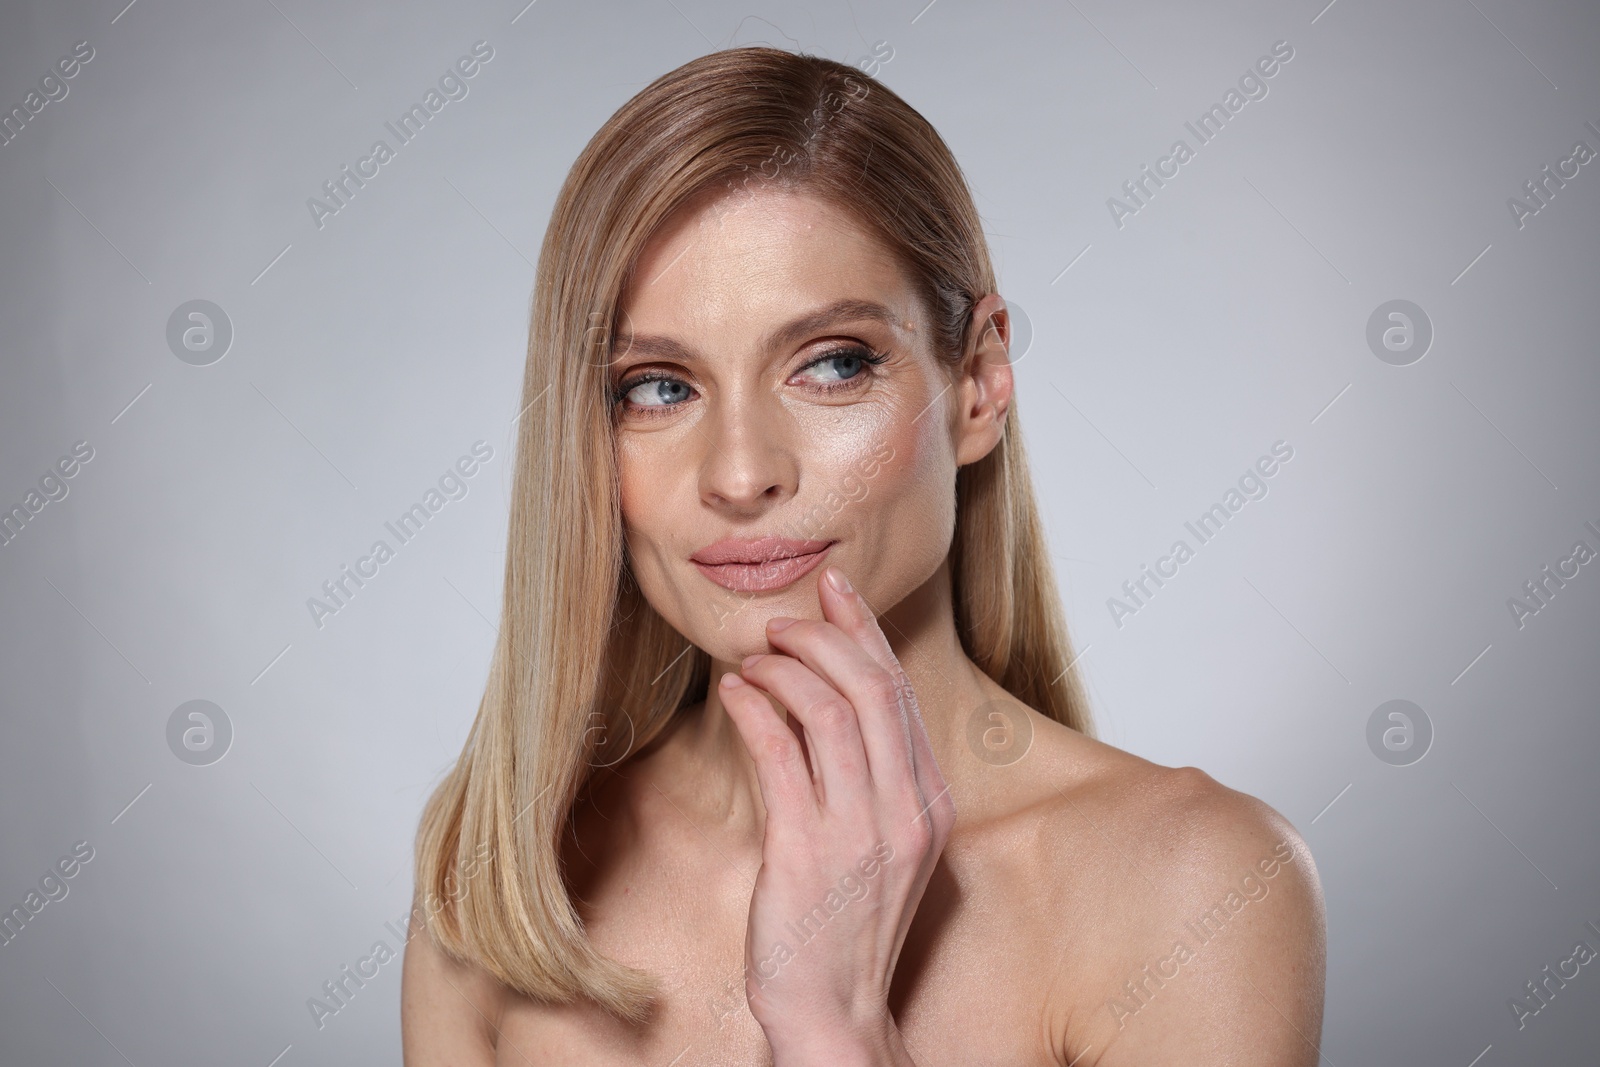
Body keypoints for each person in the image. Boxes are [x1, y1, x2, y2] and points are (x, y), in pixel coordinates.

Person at [401, 45, 1325, 1066]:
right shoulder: (501, 885)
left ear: (976, 384)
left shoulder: (1193, 884)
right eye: (658, 385)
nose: (741, 472)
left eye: (830, 365)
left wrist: (834, 1032)